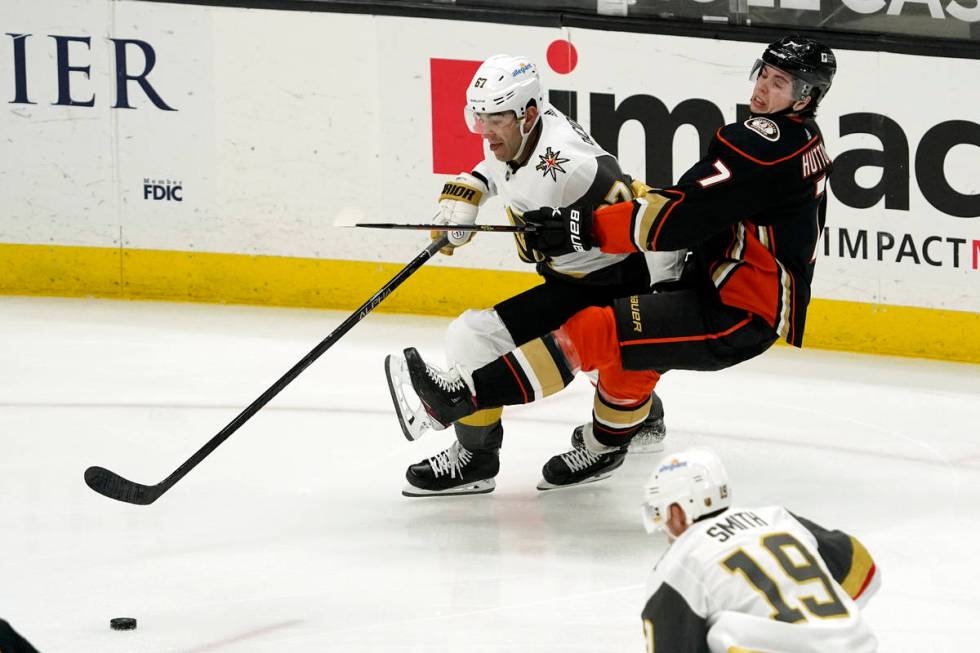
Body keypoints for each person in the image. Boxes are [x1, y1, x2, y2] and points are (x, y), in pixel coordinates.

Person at [385, 37, 838, 488]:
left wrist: (583, 230)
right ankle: (594, 443)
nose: (762, 87)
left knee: (604, 334)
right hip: (719, 283)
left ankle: (463, 400)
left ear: (806, 97)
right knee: (624, 354)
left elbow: (674, 218)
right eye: (763, 73)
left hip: (737, 306)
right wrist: (466, 192)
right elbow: (697, 213)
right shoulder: (797, 139)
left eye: (779, 82)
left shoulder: (760, 143)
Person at [387, 54, 686, 496]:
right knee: (539, 344)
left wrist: (663, 299)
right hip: (572, 281)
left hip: (619, 283)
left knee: (477, 337)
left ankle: (485, 457)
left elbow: (654, 224)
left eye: (495, 120)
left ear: (527, 114)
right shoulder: (527, 131)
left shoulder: (573, 166)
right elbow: (498, 170)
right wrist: (465, 194)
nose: (485, 131)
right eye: (478, 118)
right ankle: (644, 417)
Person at [639, 447, 880, 652]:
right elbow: (866, 570)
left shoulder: (681, 561)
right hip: (858, 646)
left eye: (661, 513)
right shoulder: (778, 518)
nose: (663, 528)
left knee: (724, 631)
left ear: (678, 512)